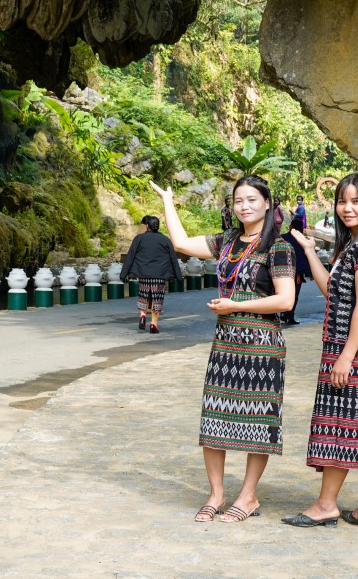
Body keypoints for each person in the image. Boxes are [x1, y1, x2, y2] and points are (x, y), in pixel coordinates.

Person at [152, 175, 295, 524]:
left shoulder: (278, 247)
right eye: (238, 201)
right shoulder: (227, 241)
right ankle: (215, 494)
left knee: (258, 421)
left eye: (252, 200)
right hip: (226, 344)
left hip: (262, 347)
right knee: (215, 417)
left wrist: (235, 306)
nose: (244, 206)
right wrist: (168, 201)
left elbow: (286, 300)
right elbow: (181, 243)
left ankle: (248, 496)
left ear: (267, 204)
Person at [283, 172, 358, 530]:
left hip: (356, 349)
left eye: (357, 201)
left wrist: (346, 356)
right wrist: (309, 251)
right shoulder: (356, 243)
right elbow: (332, 291)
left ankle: (325, 505)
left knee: (340, 423)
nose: (347, 208)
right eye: (342, 201)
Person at [122, 214, 184, 333]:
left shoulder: (139, 239)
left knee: (143, 295)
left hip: (144, 274)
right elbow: (173, 258)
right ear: (158, 226)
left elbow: (130, 256)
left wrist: (123, 274)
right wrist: (178, 276)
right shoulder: (165, 240)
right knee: (157, 298)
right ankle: (153, 324)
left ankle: (142, 315)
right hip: (159, 275)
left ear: (147, 226)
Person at [280, 204, 312, 326]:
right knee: (294, 295)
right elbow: (304, 258)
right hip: (296, 273)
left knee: (283, 293)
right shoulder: (302, 241)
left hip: (282, 272)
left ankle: (284, 314)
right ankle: (289, 316)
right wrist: (307, 272)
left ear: (291, 227)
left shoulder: (282, 238)